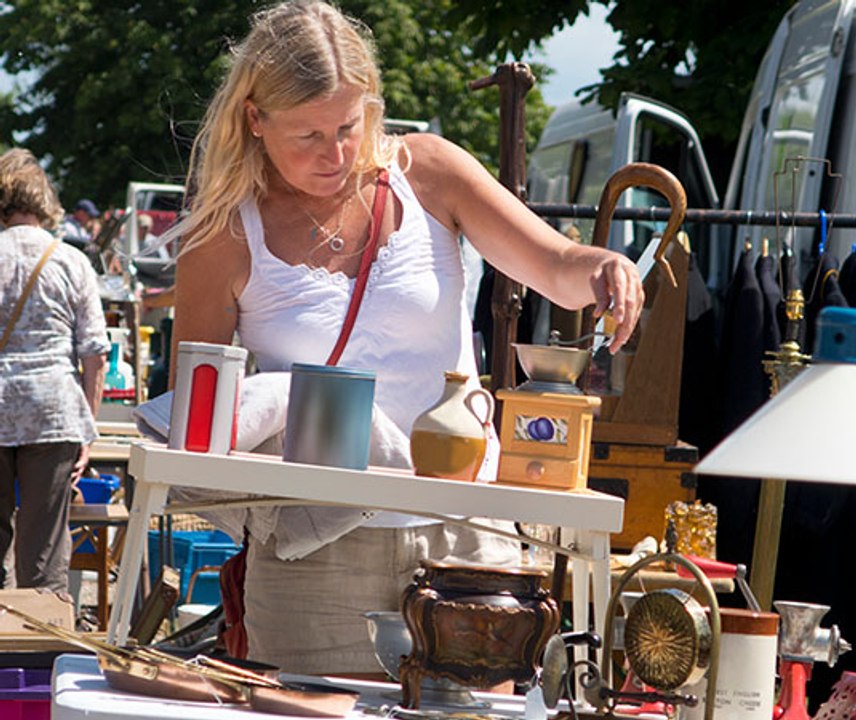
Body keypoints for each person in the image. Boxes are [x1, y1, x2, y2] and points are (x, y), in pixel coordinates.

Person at [166, 0, 645, 675]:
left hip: (467, 537)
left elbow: (555, 267)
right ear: (254, 119)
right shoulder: (222, 234)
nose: (334, 154)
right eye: (307, 135)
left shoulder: (431, 171)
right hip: (314, 553)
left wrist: (605, 268)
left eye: (347, 126)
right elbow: (204, 416)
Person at [0, 148, 109, 594]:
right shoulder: (70, 261)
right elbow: (95, 352)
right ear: (44, 201)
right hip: (52, 411)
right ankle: (43, 651)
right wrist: (88, 428)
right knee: (43, 553)